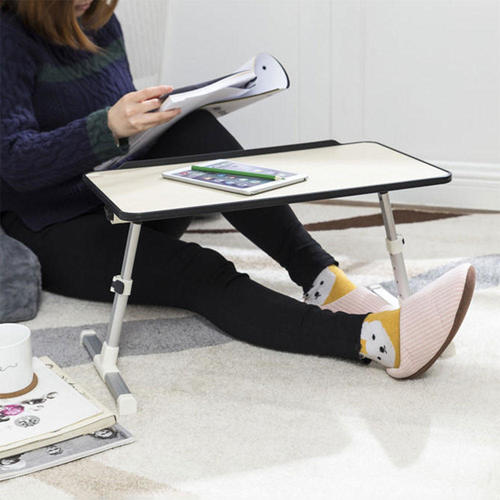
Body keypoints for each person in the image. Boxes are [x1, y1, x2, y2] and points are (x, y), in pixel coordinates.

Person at [0, 0, 475, 379]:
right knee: (200, 270)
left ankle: (322, 279)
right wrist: (107, 126)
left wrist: (157, 118)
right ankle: (376, 338)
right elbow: (16, 162)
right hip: (54, 227)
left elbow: (121, 133)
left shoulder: (100, 22)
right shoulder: (9, 38)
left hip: (121, 194)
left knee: (197, 131)